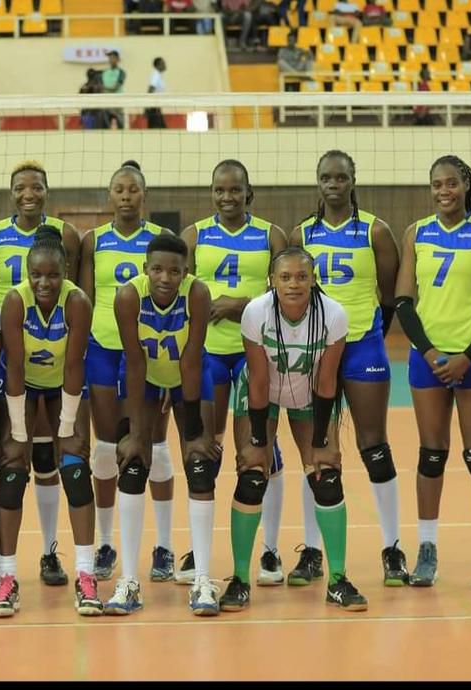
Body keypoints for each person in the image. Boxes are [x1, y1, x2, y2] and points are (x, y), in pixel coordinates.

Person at [219, 247, 367, 612]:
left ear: (314, 279)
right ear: (272, 280)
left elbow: (328, 380)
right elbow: (256, 379)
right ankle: (239, 579)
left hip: (311, 392)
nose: (294, 283)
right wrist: (257, 438)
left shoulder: (333, 315)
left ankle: (337, 580)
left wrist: (319, 441)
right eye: (285, 277)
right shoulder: (256, 312)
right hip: (262, 394)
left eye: (302, 276)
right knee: (253, 473)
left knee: (326, 473)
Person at [291, 149, 408, 587]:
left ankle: (392, 548)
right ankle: (312, 551)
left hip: (361, 346)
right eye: (326, 177)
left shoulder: (375, 231)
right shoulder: (302, 232)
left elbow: (391, 293)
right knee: (315, 450)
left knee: (374, 446)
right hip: (315, 349)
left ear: (353, 180)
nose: (333, 183)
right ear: (317, 181)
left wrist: (369, 333)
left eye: (341, 177)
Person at [393, 155, 471, 590]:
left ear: (465, 185)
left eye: (452, 183)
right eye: (437, 184)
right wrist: (432, 352)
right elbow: (404, 300)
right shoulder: (416, 233)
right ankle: (426, 550)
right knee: (431, 454)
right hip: (429, 359)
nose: (444, 191)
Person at [178, 160, 291, 587]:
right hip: (207, 355)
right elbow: (180, 291)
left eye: (235, 190)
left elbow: (289, 291)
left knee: (260, 452)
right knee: (203, 452)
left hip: (254, 354)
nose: (227, 197)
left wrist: (240, 304)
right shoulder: (195, 236)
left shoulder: (269, 235)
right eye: (219, 190)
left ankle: (271, 549)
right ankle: (199, 550)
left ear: (248, 192)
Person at [0, 161, 82, 588]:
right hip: (6, 359)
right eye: (20, 187)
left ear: (46, 190)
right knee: (3, 457)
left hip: (51, 353)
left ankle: (48, 552)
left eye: (36, 186)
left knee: (45, 456)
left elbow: (71, 292)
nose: (28, 193)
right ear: (11, 192)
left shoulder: (65, 234)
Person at [109, 235, 221, 616]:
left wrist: (192, 431)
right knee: (132, 464)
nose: (165, 277)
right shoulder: (128, 297)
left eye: (174, 270)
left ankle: (203, 580)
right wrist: (136, 433)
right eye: (157, 269)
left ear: (186, 272)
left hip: (189, 377)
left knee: (200, 466)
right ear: (145, 268)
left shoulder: (197, 294)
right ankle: (128, 581)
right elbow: (135, 362)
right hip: (144, 376)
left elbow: (191, 361)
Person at [0, 227, 101, 617]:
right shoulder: (14, 301)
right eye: (36, 274)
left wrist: (67, 427)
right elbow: (16, 366)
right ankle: (6, 578)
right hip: (22, 387)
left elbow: (74, 366)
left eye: (52, 275)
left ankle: (85, 574)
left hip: (63, 388)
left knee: (74, 467)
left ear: (66, 271)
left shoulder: (77, 302)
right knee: (12, 471)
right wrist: (19, 433)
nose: (44, 282)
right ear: (26, 271)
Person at [79, 162, 177, 583]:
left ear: (144, 195)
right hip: (103, 349)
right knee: (105, 449)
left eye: (132, 189)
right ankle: (105, 541)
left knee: (154, 446)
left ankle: (165, 545)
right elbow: (83, 298)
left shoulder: (159, 242)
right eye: (118, 189)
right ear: (109, 195)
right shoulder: (93, 241)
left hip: (151, 352)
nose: (125, 196)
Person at [101, 50, 127, 129]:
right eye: (109, 58)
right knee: (105, 128)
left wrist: (104, 88)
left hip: (118, 104)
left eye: (113, 58)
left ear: (118, 59)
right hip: (107, 104)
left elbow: (115, 88)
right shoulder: (105, 73)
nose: (111, 60)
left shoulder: (121, 72)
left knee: (120, 126)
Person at [146, 57, 167, 130]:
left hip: (157, 106)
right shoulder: (156, 74)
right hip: (154, 106)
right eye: (163, 63)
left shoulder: (158, 75)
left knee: (160, 128)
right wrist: (147, 105)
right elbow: (151, 89)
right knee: (157, 128)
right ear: (158, 65)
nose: (165, 65)